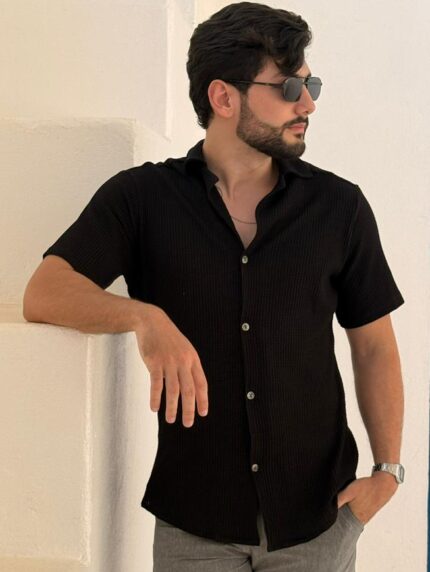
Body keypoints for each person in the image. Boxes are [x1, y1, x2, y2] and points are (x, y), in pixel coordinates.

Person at [23, 2, 405, 570]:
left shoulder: (339, 207)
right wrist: (144, 317)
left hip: (319, 524)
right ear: (224, 98)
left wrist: (387, 472)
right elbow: (44, 292)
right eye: (290, 87)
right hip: (193, 527)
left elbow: (373, 346)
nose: (307, 103)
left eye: (311, 84)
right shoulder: (143, 199)